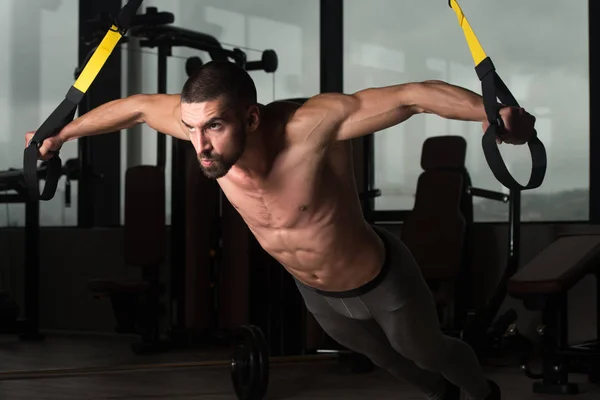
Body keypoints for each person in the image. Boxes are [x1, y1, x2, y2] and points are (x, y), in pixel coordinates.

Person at [27, 60, 535, 399]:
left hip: (380, 279)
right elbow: (137, 107)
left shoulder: (311, 127)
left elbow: (413, 97)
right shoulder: (198, 130)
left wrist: (492, 117)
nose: (199, 145)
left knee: (427, 351)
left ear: (250, 118)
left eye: (215, 128)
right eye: (191, 128)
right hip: (314, 292)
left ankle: (481, 394)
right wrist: (61, 135)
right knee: (381, 357)